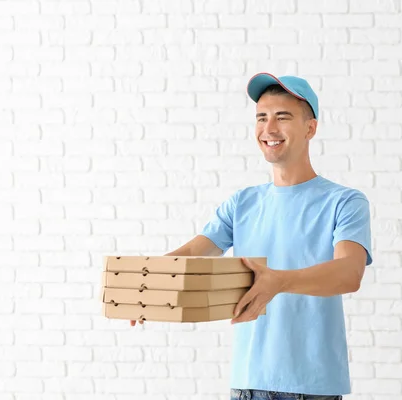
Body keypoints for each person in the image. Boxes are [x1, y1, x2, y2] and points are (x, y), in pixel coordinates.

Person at [131, 73, 373, 400]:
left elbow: (349, 273)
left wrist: (279, 282)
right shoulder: (242, 203)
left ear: (310, 128)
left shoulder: (343, 202)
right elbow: (194, 251)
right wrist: (145, 285)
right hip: (246, 385)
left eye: (282, 117)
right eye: (261, 118)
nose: (269, 129)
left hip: (311, 389)